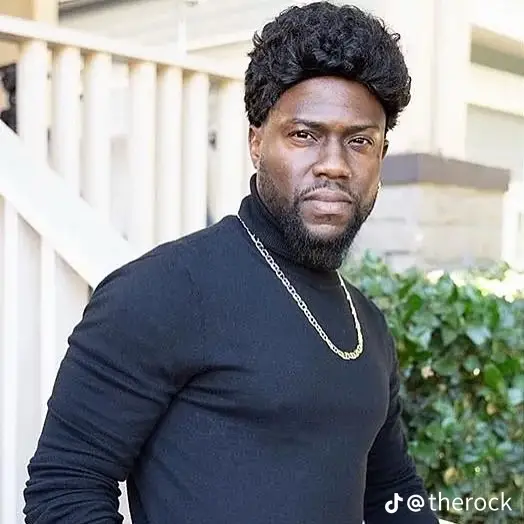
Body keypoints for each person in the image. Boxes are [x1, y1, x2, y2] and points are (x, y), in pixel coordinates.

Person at [23, 2, 439, 523]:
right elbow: (64, 489)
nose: (334, 165)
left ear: (380, 156)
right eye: (304, 135)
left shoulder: (367, 326)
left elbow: (392, 492)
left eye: (359, 141)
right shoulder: (161, 291)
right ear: (256, 142)